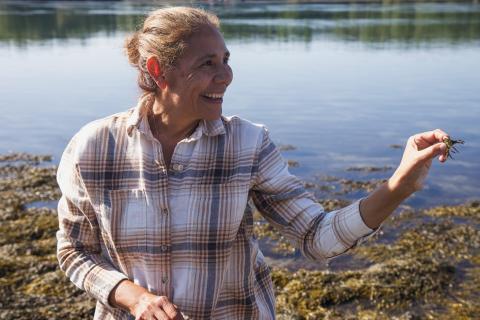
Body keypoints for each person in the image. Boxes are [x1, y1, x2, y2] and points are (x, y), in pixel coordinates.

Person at [56, 6, 450, 320]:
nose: (226, 76)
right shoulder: (94, 148)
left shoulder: (248, 144)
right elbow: (75, 251)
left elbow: (317, 238)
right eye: (208, 63)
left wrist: (400, 185)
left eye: (226, 59)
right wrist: (133, 297)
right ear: (159, 70)